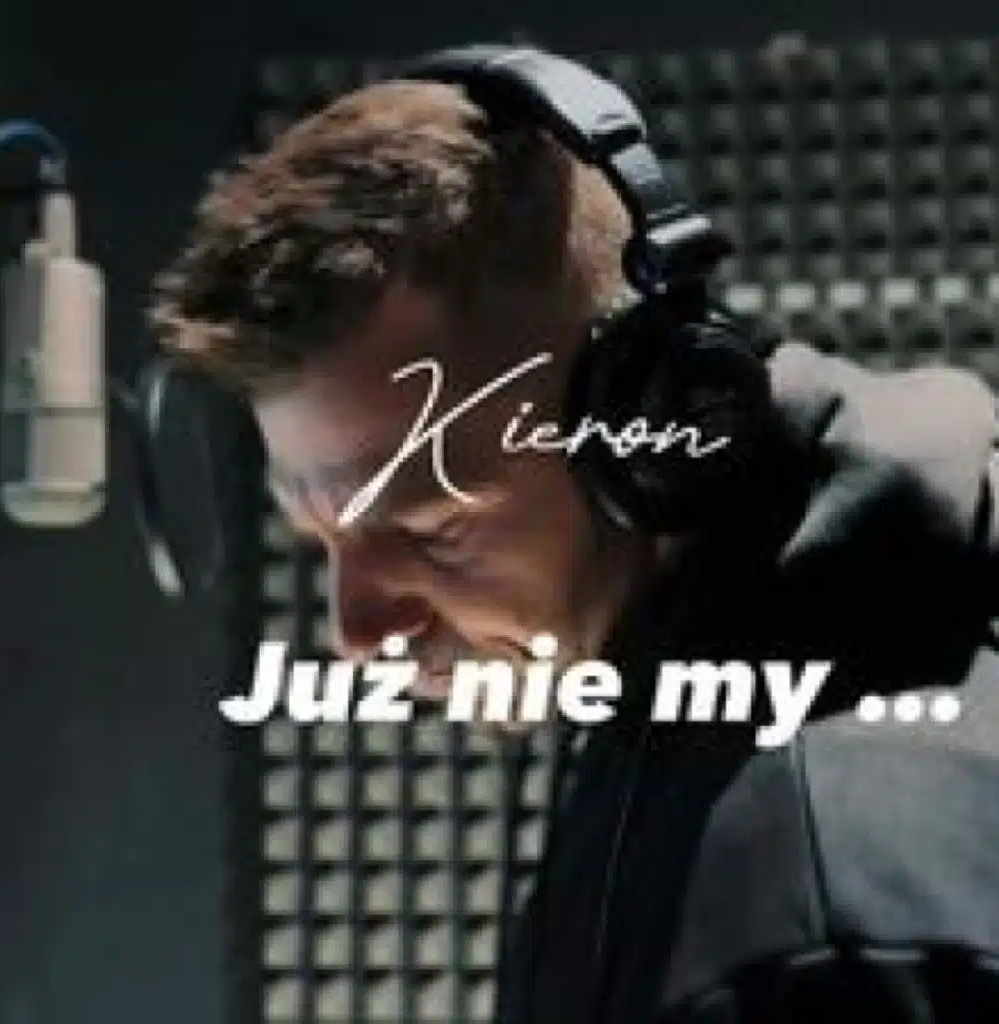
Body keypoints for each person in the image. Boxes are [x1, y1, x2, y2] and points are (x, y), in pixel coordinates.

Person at [150, 46, 999, 1023]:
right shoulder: (677, 714)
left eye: (430, 528)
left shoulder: (814, 919)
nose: (357, 633)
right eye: (319, 537)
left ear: (651, 431)